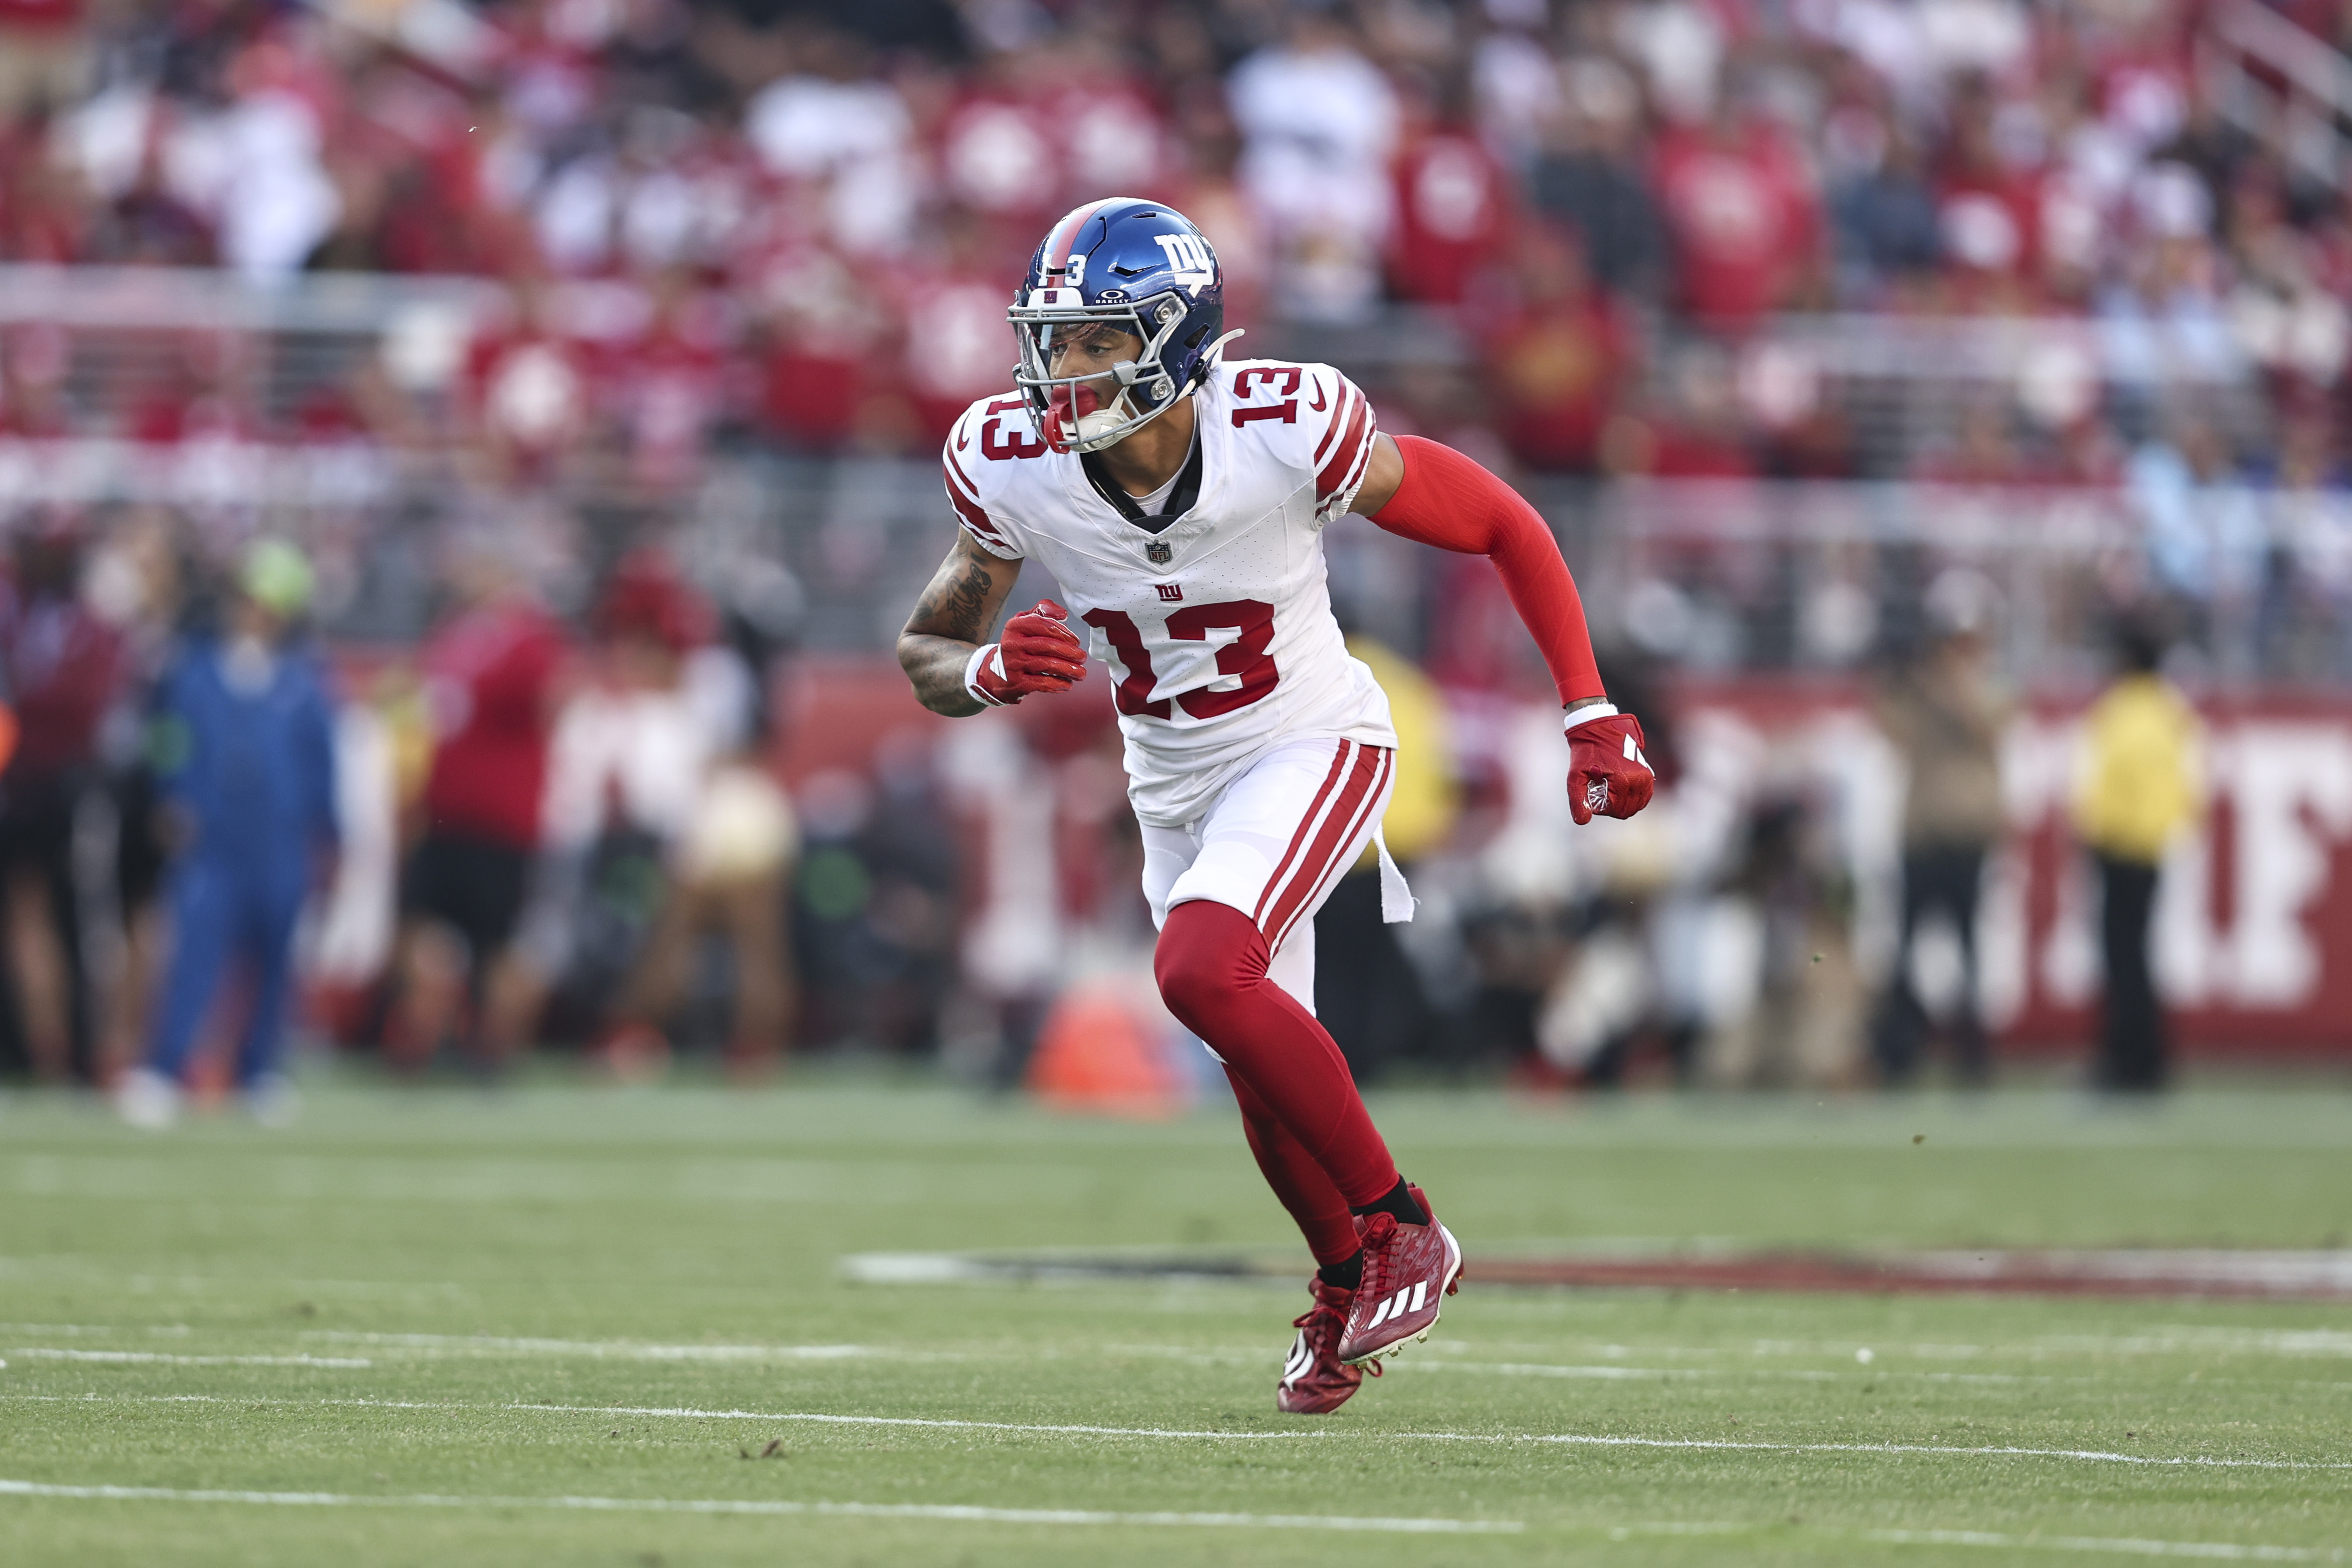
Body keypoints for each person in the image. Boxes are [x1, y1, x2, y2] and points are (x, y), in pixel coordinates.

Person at [896, 199, 1653, 1414]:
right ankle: (1341, 1277)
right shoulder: (1006, 456)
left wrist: (1587, 708)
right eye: (1057, 339)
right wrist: (983, 672)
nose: (1066, 368)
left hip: (1309, 736)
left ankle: (1404, 1222)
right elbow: (927, 646)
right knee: (1258, 1068)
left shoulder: (1283, 424)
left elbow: (1503, 521)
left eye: (1100, 339)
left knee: (1200, 971)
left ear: (1178, 334)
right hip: (1172, 780)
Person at [116, 541, 338, 1127]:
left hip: (278, 840)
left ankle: (258, 1069)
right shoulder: (194, 670)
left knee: (273, 958)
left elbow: (321, 763)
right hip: (212, 839)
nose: (256, 612)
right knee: (194, 953)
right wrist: (170, 796)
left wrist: (326, 831)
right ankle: (165, 1066)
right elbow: (168, 738)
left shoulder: (304, 681)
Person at [1869, 573, 2008, 1087]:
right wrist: (1897, 679)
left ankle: (1972, 1059)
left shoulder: (1989, 681)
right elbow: (1890, 730)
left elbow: (1985, 721)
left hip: (1966, 832)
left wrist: (1940, 678)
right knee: (1905, 949)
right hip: (1923, 831)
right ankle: (1898, 1054)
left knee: (1969, 951)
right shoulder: (1921, 684)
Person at [2073, 620, 2201, 1092]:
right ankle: (2144, 1057)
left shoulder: (2126, 711)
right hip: (2149, 848)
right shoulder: (2169, 712)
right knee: (2136, 957)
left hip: (2122, 847)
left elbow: (2112, 784)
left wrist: (2101, 831)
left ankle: (2126, 1059)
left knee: (2122, 959)